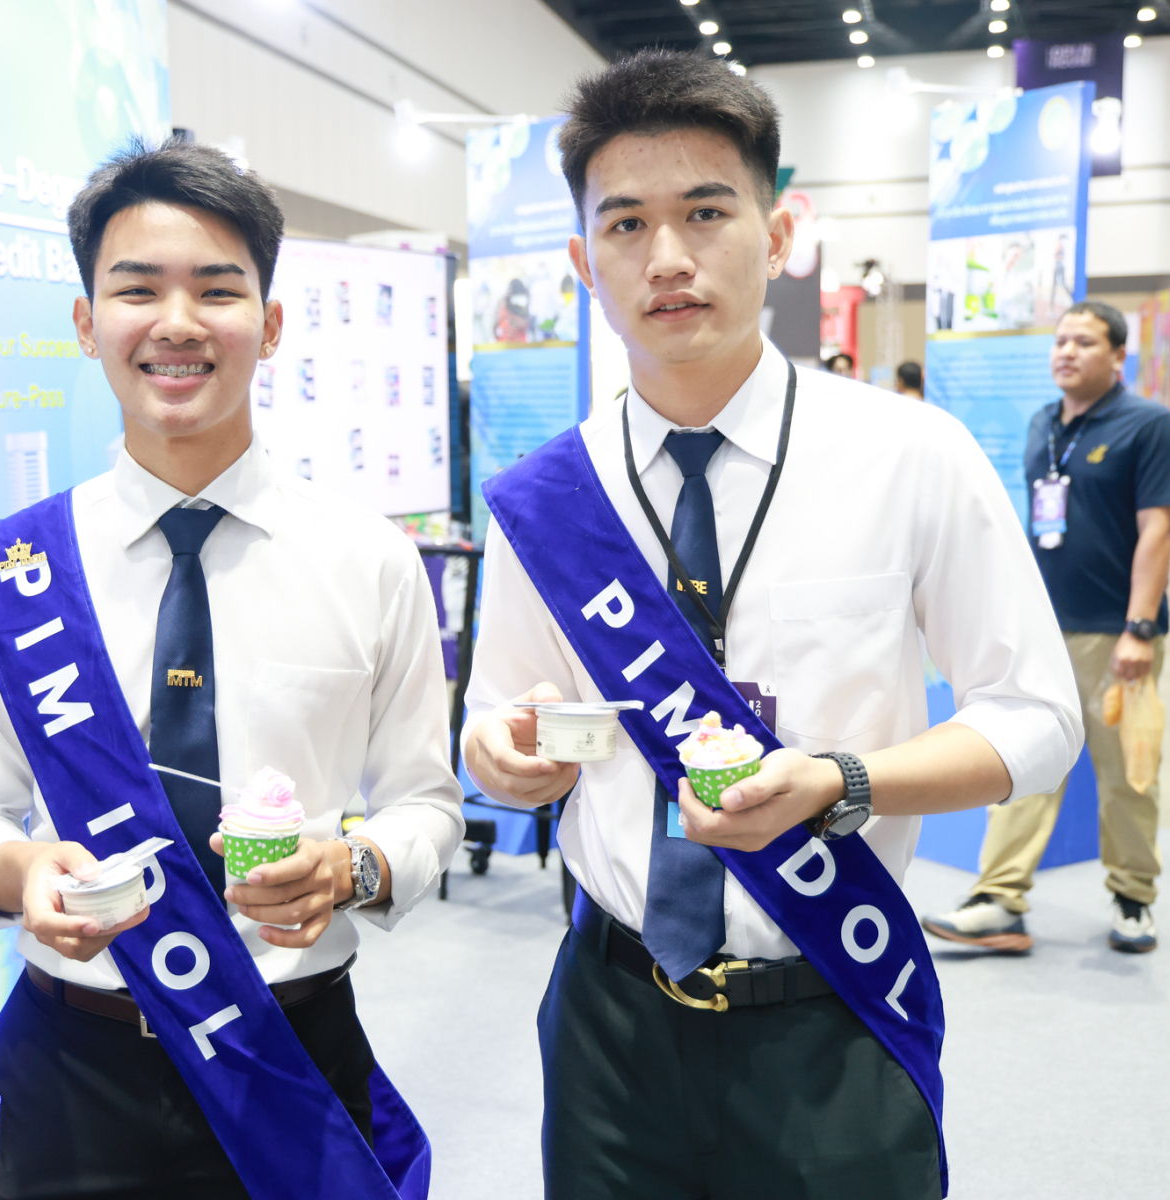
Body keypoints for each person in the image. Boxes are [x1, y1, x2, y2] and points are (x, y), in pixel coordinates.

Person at [463, 50, 1081, 1199]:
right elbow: (497, 718)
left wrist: (844, 783)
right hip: (609, 1023)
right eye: (626, 224)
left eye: (707, 212)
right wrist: (501, 755)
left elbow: (1039, 718)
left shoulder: (908, 455)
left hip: (832, 1006)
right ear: (581, 262)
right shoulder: (546, 499)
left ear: (781, 232)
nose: (668, 257)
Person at [0, 139, 464, 1198]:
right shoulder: (19, 569)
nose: (177, 323)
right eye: (137, 290)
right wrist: (20, 874)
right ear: (87, 324)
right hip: (73, 1077)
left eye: (217, 290)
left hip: (291, 1058)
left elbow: (427, 804)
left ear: (271, 324)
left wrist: (352, 868)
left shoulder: (369, 558)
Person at [923, 301, 1170, 955]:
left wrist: (1139, 627)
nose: (1066, 352)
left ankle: (1134, 897)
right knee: (1020, 760)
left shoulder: (1149, 426)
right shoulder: (1045, 422)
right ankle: (998, 900)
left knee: (1125, 774)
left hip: (1113, 633)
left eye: (1085, 342)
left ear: (1118, 356)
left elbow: (1158, 530)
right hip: (1042, 626)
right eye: (1061, 340)